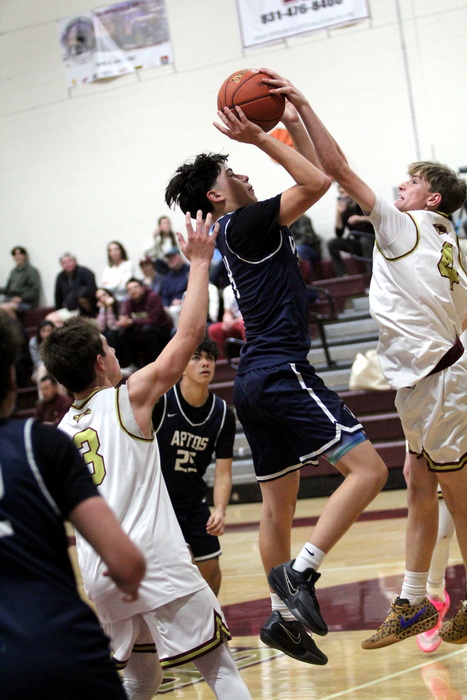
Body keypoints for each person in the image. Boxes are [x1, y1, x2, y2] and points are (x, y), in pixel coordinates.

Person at [164, 100, 388, 666]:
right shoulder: (248, 222)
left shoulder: (246, 225)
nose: (244, 173)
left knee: (275, 509)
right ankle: (301, 573)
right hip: (282, 368)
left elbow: (311, 172)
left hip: (253, 379)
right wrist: (263, 136)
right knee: (370, 471)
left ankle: (283, 618)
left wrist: (294, 115)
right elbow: (317, 181)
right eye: (231, 173)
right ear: (215, 195)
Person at [262, 68, 467, 649]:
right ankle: (412, 601)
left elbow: (336, 167)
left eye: (411, 182)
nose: (400, 186)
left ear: (431, 198)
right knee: (418, 484)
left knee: (457, 496)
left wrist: (301, 109)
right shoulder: (450, 244)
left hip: (439, 382)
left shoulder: (405, 227)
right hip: (431, 381)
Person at [42, 213, 252, 700]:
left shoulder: (60, 431)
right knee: (221, 669)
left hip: (101, 573)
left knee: (141, 678)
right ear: (100, 362)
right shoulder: (128, 397)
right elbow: (190, 334)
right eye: (109, 347)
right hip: (155, 562)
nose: (116, 352)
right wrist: (199, 263)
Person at [0, 309, 146, 700]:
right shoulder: (40, 442)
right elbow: (126, 563)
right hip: (56, 645)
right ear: (12, 378)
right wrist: (128, 577)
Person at [153, 337, 235, 596]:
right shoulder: (162, 402)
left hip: (194, 501)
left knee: (211, 572)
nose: (205, 363)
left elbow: (223, 472)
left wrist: (220, 509)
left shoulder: (223, 413)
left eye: (210, 358)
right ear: (182, 367)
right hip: (160, 503)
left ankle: (211, 619)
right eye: (196, 358)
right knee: (184, 569)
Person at [116, 277, 173, 371]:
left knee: (147, 329)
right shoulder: (129, 302)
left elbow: (153, 320)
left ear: (142, 288)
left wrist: (132, 321)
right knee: (123, 332)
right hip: (140, 331)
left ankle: (157, 365)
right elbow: (125, 316)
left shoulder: (152, 297)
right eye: (129, 289)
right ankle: (132, 365)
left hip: (161, 331)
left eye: (135, 287)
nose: (133, 291)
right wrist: (123, 320)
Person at [327, 186, 375, 276]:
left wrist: (360, 218)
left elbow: (378, 219)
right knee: (332, 243)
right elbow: (339, 233)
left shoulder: (363, 204)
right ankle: (341, 274)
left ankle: (371, 273)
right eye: (341, 193)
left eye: (346, 192)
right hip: (357, 242)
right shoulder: (344, 210)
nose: (345, 195)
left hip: (373, 239)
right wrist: (338, 213)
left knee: (364, 240)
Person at [47, 253, 97, 325]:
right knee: (50, 320)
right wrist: (58, 310)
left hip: (85, 309)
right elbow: (58, 297)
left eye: (69, 261)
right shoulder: (60, 277)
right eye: (64, 262)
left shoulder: (85, 272)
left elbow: (92, 291)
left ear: (75, 261)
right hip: (70, 309)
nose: (67, 264)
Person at [0, 246, 41, 319]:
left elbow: (35, 290)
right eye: (15, 255)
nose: (17, 257)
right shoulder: (13, 272)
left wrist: (21, 298)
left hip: (25, 302)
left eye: (19, 254)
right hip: (11, 300)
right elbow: (7, 290)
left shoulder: (31, 271)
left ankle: (14, 326)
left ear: (24, 255)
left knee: (4, 309)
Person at [208, 284, 246, 359]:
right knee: (214, 329)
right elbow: (227, 312)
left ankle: (253, 355)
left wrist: (235, 321)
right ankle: (222, 362)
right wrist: (227, 321)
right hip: (235, 321)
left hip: (248, 319)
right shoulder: (228, 290)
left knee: (244, 324)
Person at [160, 247, 190, 328]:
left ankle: (181, 332)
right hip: (170, 306)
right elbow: (164, 295)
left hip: (186, 304)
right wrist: (165, 306)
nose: (171, 260)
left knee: (174, 311)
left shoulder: (190, 271)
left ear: (180, 256)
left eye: (173, 257)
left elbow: (193, 291)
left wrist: (181, 301)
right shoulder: (167, 277)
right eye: (168, 258)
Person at [29, 319, 55, 395]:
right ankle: (42, 397)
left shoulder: (58, 341)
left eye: (49, 331)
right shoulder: (33, 342)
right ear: (39, 331)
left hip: (56, 368)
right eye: (44, 331)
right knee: (42, 368)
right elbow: (37, 361)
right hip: (39, 371)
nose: (46, 334)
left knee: (58, 373)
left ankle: (62, 399)